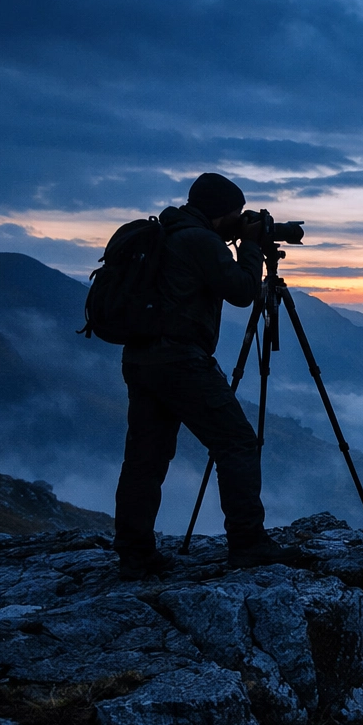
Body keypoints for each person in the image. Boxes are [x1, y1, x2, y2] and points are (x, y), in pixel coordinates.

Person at [112, 172, 304, 577]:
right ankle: (248, 543)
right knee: (236, 442)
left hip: (142, 359)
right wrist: (250, 247)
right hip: (180, 362)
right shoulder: (199, 240)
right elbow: (241, 291)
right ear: (221, 214)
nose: (239, 222)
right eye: (235, 215)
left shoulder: (168, 233)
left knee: (145, 458)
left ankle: (134, 553)